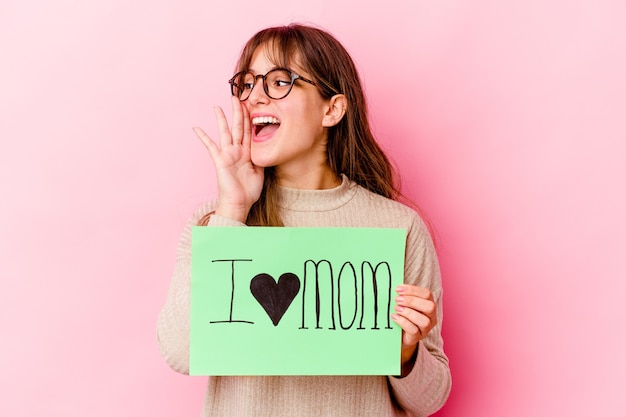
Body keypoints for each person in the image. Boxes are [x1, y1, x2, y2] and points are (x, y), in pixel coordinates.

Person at [157, 23, 451, 417]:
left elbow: (430, 400)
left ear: (332, 109)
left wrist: (404, 352)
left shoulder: (398, 228)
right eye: (247, 83)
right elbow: (180, 352)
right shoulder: (214, 222)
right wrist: (233, 210)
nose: (254, 96)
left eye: (279, 81)